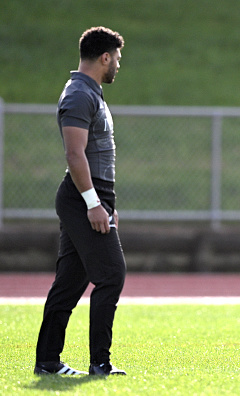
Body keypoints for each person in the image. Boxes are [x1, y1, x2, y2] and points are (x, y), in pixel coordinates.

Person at [34, 26, 127, 376]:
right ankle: (100, 363)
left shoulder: (90, 91)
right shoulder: (79, 94)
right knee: (112, 275)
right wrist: (92, 202)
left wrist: (105, 200)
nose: (118, 64)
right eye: (116, 58)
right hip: (80, 197)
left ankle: (47, 362)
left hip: (91, 195)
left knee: (70, 281)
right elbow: (75, 155)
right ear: (104, 57)